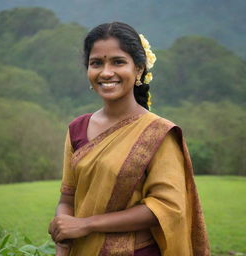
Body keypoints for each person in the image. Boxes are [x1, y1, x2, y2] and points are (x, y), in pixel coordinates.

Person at [48, 22, 210, 256]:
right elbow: (67, 198)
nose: (106, 72)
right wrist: (62, 236)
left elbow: (166, 207)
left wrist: (87, 224)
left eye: (118, 61)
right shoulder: (77, 129)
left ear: (139, 69)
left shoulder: (158, 133)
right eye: (96, 63)